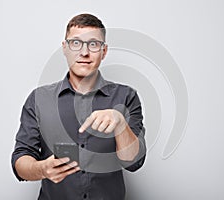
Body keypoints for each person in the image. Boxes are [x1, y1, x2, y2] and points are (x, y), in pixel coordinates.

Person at [11, 13, 146, 200]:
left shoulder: (126, 97)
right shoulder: (38, 99)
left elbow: (134, 162)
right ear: (65, 49)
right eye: (75, 43)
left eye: (93, 44)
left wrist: (120, 124)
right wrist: (41, 169)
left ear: (104, 51)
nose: (84, 52)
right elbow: (21, 158)